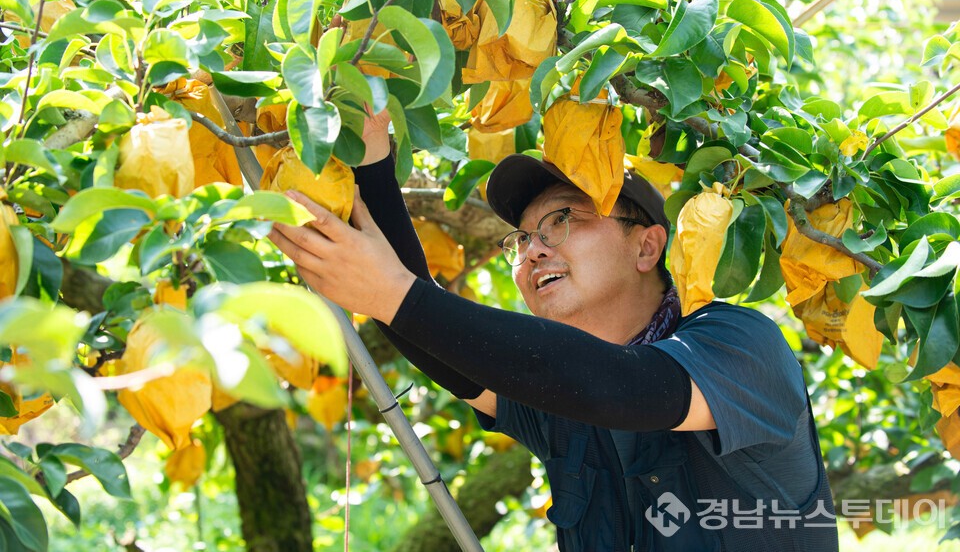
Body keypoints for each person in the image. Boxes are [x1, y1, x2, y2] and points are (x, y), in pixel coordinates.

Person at [268, 114, 840, 551]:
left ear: (646, 246)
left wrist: (393, 294)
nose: (533, 249)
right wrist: (369, 159)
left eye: (563, 219)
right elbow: (429, 333)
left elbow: (623, 387)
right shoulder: (556, 400)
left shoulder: (739, 344)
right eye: (521, 239)